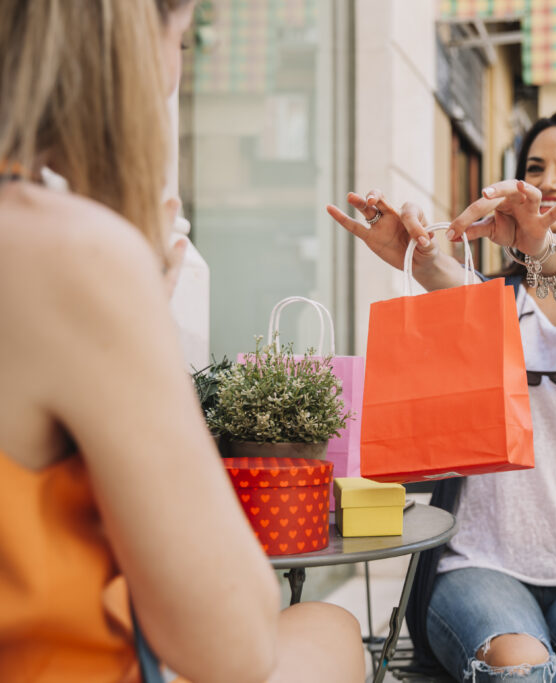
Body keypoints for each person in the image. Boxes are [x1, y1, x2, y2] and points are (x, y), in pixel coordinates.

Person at [0, 2, 364, 682]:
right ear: (129, 40)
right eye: (185, 39)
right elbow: (235, 644)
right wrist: (138, 303)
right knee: (331, 630)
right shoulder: (70, 254)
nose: (176, 70)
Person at [328, 111, 556, 682]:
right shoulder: (494, 300)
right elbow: (445, 278)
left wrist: (541, 246)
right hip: (479, 563)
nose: (548, 180)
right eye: (534, 167)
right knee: (517, 670)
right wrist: (415, 253)